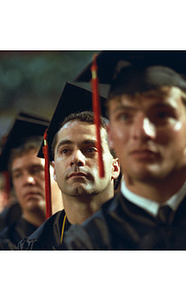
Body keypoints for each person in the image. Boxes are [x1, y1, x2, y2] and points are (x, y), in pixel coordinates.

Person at [62, 51, 186, 249]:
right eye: (125, 117)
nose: (142, 132)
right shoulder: (87, 243)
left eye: (162, 114)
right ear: (110, 135)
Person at [18, 82, 120, 250]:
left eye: (90, 149)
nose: (76, 159)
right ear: (54, 171)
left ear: (115, 168)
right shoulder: (34, 248)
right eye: (65, 151)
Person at [0, 113, 63, 250]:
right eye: (18, 174)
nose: (27, 180)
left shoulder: (87, 232)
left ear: (57, 171)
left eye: (36, 169)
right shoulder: (1, 247)